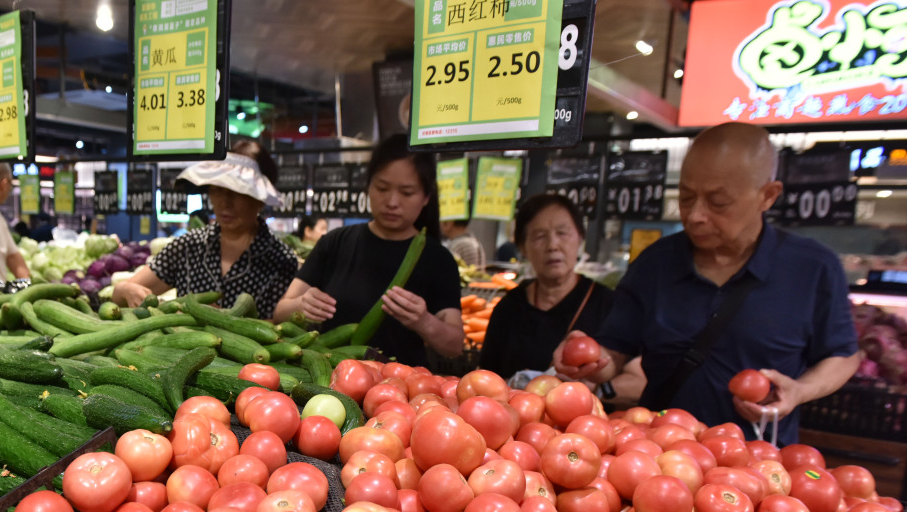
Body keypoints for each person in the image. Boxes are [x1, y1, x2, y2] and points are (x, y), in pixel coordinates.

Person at [554, 122, 860, 445]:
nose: (696, 215)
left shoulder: (812, 268)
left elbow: (843, 354)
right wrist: (586, 361)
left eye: (718, 202)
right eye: (686, 198)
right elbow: (612, 353)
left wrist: (800, 390)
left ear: (768, 196)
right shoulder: (654, 264)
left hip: (757, 467)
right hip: (658, 462)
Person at [274, 133, 464, 365]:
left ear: (426, 197)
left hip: (401, 390)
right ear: (368, 185)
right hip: (332, 381)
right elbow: (280, 312)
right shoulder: (334, 243)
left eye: (406, 192)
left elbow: (454, 346)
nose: (392, 202)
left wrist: (423, 321)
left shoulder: (438, 260)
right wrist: (300, 305)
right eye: (382, 188)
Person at [111, 139, 299, 319]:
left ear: (260, 199)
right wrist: (126, 290)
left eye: (237, 192)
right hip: (184, 351)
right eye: (217, 189)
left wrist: (220, 321)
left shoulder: (281, 261)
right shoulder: (188, 246)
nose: (225, 202)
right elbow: (120, 294)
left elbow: (277, 328)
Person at [480, 194, 615, 380]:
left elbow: (630, 377)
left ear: (580, 239)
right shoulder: (509, 309)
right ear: (523, 248)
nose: (553, 245)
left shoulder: (608, 305)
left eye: (562, 233)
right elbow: (487, 377)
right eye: (539, 236)